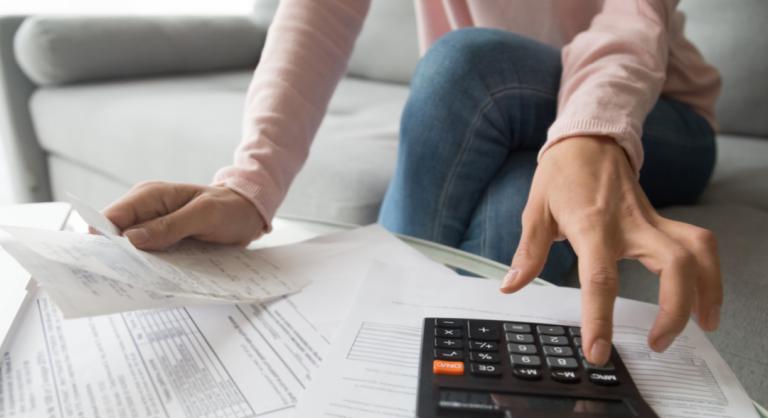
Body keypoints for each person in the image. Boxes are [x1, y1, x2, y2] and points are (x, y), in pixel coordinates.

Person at [100, 0, 722, 366]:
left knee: (463, 61)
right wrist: (248, 186)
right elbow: (317, 16)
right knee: (515, 204)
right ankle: (408, 382)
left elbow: (632, 23)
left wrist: (589, 137)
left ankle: (365, 363)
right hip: (509, 125)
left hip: (657, 111)